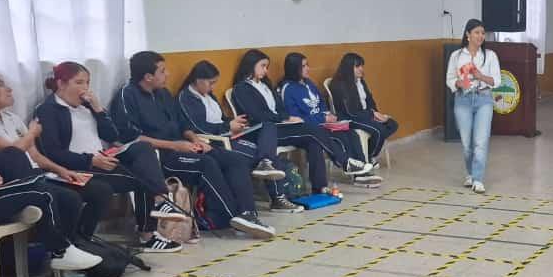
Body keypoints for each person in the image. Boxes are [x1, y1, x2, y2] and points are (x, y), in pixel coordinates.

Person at [110, 51, 275, 239]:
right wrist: (176, 146)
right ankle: (232, 217)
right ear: (148, 77)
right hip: (160, 156)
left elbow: (183, 125)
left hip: (183, 146)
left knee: (234, 159)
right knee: (205, 164)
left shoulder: (163, 94)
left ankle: (248, 213)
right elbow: (131, 138)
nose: (168, 74)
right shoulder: (127, 96)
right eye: (162, 71)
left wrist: (195, 139)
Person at [36, 61, 183, 253]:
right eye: (79, 82)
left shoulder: (86, 107)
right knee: (141, 179)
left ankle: (159, 200)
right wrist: (90, 160)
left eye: (87, 82)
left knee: (143, 148)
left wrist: (98, 109)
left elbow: (112, 136)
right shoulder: (48, 110)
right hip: (79, 166)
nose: (84, 88)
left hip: (103, 158)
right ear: (61, 84)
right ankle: (149, 232)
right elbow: (53, 152)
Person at [0, 70, 109, 243]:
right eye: (0, 85)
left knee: (99, 190)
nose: (9, 89)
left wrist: (61, 171)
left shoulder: (11, 118)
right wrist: (32, 133)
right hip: (2, 181)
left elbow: (34, 155)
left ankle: (82, 241)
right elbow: (13, 152)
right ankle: (62, 248)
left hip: (35, 174)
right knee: (69, 198)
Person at [231, 50, 374, 195]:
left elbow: (280, 108)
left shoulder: (265, 85)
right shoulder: (241, 88)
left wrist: (287, 118)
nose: (266, 70)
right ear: (251, 65)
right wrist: (283, 119)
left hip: (280, 126)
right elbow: (256, 115)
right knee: (312, 131)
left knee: (313, 141)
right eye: (262, 66)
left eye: (267, 67)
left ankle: (320, 187)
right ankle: (345, 162)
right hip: (264, 132)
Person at [177, 60, 300, 215]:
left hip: (229, 134)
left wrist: (235, 122)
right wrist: (228, 126)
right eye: (211, 83)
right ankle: (277, 197)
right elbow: (199, 127)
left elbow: (221, 118)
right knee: (262, 153)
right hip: (215, 140)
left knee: (268, 126)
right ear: (198, 80)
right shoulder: (186, 98)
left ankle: (266, 164)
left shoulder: (209, 95)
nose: (213, 87)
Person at [279, 52, 380, 182]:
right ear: (294, 68)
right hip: (309, 127)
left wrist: (328, 114)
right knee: (338, 138)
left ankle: (362, 170)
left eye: (307, 65)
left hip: (323, 122)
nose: (308, 68)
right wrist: (322, 119)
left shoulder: (309, 83)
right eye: (303, 66)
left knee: (351, 133)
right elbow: (296, 119)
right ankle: (352, 168)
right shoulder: (287, 89)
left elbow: (321, 102)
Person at [446, 20, 502, 194]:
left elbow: (496, 81)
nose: (480, 36)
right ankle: (470, 174)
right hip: (462, 100)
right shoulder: (456, 56)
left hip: (483, 99)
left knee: (480, 142)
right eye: (477, 32)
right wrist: (459, 83)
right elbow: (449, 79)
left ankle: (478, 179)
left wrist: (480, 76)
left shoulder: (490, 56)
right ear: (468, 35)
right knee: (466, 144)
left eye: (483, 33)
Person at [329, 51, 399, 163]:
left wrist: (377, 114)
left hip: (365, 114)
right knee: (379, 130)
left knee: (392, 124)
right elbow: (350, 112)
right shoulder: (339, 84)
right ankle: (369, 158)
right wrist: (371, 114)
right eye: (357, 66)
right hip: (350, 118)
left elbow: (370, 100)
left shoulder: (360, 81)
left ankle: (369, 153)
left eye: (362, 66)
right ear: (348, 68)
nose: (361, 69)